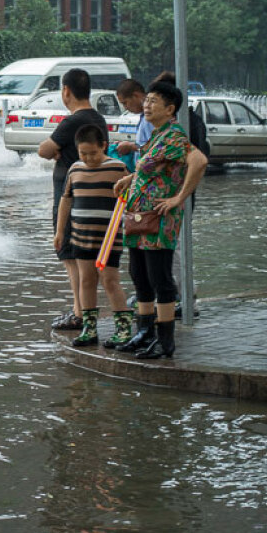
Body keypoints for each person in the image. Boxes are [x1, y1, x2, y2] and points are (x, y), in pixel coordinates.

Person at [112, 75, 209, 359]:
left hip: (159, 220)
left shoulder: (175, 136)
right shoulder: (156, 136)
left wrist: (180, 197)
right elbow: (154, 169)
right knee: (139, 275)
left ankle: (165, 341)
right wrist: (130, 178)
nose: (147, 105)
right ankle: (145, 332)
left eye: (154, 102)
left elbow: (199, 161)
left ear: (170, 108)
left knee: (160, 278)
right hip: (138, 216)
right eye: (147, 100)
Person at [38, 68, 109, 331]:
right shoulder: (97, 119)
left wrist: (57, 152)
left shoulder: (71, 122)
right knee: (83, 260)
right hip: (92, 198)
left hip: (71, 199)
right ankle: (83, 311)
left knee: (71, 258)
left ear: (66, 91)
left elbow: (44, 150)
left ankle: (80, 313)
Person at [54, 124, 133, 347]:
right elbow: (66, 200)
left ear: (104, 146)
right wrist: (60, 231)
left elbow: (131, 195)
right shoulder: (75, 169)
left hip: (109, 239)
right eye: (83, 153)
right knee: (86, 280)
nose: (88, 158)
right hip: (80, 237)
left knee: (110, 280)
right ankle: (89, 328)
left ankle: (123, 328)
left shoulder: (118, 168)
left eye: (93, 153)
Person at [114, 79, 153, 171]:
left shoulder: (151, 119)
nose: (125, 107)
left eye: (125, 102)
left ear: (136, 95)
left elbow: (155, 149)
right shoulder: (144, 117)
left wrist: (130, 147)